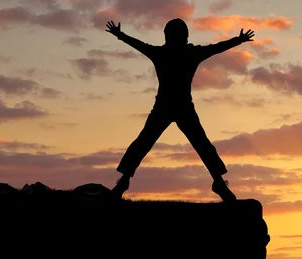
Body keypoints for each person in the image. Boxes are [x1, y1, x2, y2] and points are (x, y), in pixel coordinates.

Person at [104, 18, 255, 201]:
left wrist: (119, 35)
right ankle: (124, 181)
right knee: (190, 143)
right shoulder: (186, 53)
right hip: (173, 107)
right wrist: (238, 40)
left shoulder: (166, 53)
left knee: (149, 142)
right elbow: (215, 48)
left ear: (167, 36)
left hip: (174, 107)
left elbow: (139, 45)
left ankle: (125, 180)